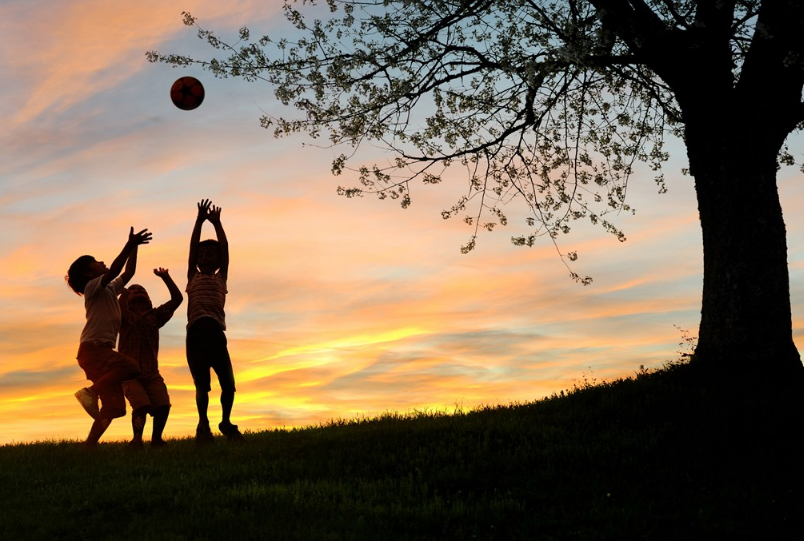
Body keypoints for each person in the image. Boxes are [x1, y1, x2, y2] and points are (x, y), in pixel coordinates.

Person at [65, 227, 151, 446]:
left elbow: (128, 273)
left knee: (114, 408)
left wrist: (135, 248)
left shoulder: (110, 289)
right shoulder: (92, 287)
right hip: (94, 349)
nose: (101, 262)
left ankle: (89, 445)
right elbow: (114, 269)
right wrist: (129, 244)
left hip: (98, 352)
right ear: (88, 273)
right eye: (95, 261)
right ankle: (89, 392)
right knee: (131, 366)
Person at [186, 199, 244, 443]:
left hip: (217, 336)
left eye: (211, 255)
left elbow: (225, 247)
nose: (205, 257)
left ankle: (226, 421)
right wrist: (199, 221)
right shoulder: (192, 277)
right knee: (202, 386)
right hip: (196, 336)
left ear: (219, 261)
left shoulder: (222, 278)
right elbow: (191, 248)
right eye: (202, 255)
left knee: (228, 384)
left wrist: (217, 223)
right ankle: (203, 424)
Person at [118, 267, 183, 449]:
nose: (138, 291)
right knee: (141, 406)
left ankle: (157, 439)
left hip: (152, 373)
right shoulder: (123, 316)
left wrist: (166, 277)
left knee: (163, 404)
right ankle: (137, 439)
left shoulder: (155, 315)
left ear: (149, 299)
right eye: (133, 290)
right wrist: (123, 292)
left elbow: (177, 299)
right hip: (129, 374)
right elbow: (117, 308)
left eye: (142, 290)